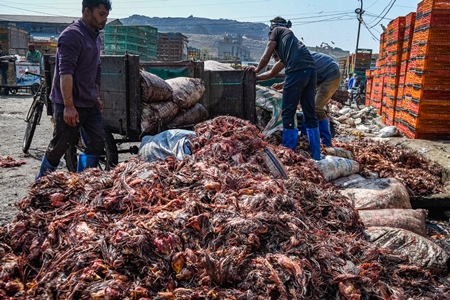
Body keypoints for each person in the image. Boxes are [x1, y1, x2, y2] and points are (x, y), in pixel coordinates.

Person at [36, 0, 112, 179]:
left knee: (96, 142)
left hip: (89, 102)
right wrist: (69, 106)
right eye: (101, 14)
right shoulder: (72, 36)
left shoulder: (95, 36)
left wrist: (97, 96)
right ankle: (40, 183)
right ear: (87, 11)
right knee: (60, 145)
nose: (104, 20)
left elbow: (96, 69)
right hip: (69, 102)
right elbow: (65, 73)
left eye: (106, 16)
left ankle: (81, 183)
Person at [246, 16, 321, 160]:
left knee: (287, 112)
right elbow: (274, 71)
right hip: (311, 71)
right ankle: (316, 155)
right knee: (309, 113)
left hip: (297, 71)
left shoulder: (277, 30)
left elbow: (267, 54)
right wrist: (257, 78)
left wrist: (256, 69)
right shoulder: (290, 46)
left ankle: (288, 153)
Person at [257, 51, 341, 147]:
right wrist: (282, 85)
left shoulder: (292, 57)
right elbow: (295, 75)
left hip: (330, 74)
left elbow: (289, 76)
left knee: (316, 108)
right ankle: (305, 136)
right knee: (307, 108)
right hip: (318, 76)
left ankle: (326, 140)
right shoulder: (294, 57)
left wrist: (256, 77)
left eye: (279, 61)